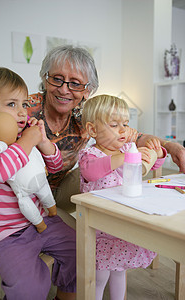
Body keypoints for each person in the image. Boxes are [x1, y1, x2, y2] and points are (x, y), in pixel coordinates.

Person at [28, 44, 185, 214]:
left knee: (98, 170)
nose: (64, 89)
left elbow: (134, 136)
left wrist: (169, 146)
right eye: (57, 79)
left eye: (75, 83)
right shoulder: (25, 110)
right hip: (25, 195)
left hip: (61, 190)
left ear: (87, 90)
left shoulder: (85, 114)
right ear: (45, 79)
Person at [0, 67, 76, 300]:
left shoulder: (22, 137)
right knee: (30, 287)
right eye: (11, 104)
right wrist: (26, 141)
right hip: (5, 236)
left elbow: (55, 166)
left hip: (40, 221)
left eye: (24, 104)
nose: (22, 113)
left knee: (81, 250)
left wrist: (43, 142)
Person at [78, 94, 167, 300]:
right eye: (114, 124)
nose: (123, 130)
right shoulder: (91, 155)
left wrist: (158, 153)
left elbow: (148, 165)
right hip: (99, 228)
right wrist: (121, 157)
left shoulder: (127, 148)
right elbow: (92, 173)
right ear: (93, 130)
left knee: (119, 273)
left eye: (125, 124)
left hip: (121, 224)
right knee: (99, 277)